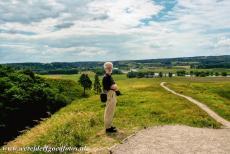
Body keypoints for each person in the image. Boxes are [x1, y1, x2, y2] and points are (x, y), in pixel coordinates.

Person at [102, 62, 119, 133]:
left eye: (111, 67)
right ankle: (108, 128)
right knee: (109, 111)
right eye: (108, 68)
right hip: (110, 95)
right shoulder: (106, 77)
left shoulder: (109, 76)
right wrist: (115, 87)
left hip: (112, 95)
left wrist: (115, 87)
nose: (109, 69)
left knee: (111, 111)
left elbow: (114, 86)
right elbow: (113, 86)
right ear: (105, 68)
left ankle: (109, 125)